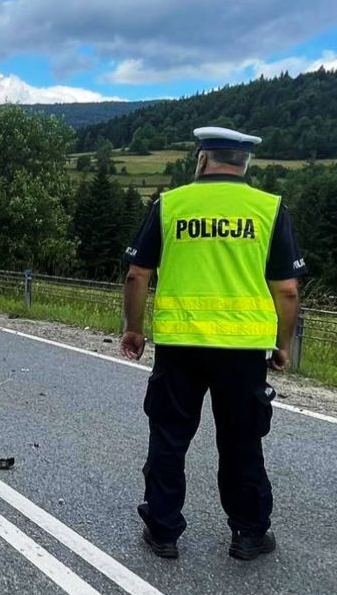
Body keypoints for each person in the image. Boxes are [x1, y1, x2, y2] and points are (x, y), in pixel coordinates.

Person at [121, 126, 305, 562]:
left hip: (179, 345)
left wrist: (133, 328)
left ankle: (164, 531)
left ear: (201, 159)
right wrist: (282, 344)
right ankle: (249, 533)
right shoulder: (268, 209)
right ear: (245, 164)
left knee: (169, 438)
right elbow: (288, 290)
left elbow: (137, 274)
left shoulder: (171, 205)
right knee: (242, 441)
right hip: (243, 352)